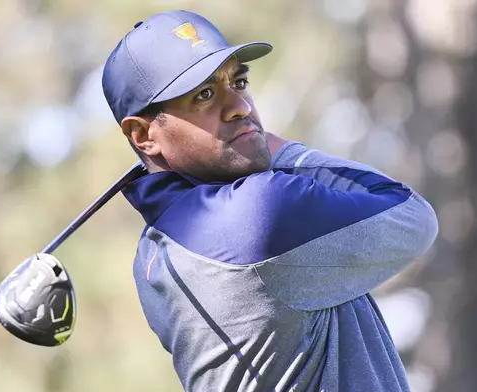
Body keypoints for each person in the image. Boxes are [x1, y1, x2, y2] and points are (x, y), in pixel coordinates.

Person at [101, 10, 438, 392]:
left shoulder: (151, 254)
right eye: (205, 95)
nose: (241, 107)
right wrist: (280, 149)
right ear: (143, 135)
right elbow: (412, 215)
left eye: (239, 81)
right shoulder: (260, 213)